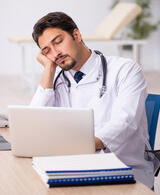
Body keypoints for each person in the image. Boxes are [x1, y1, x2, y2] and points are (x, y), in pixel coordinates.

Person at [31, 11, 157, 189]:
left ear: (76, 35)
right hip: (74, 170)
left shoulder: (125, 70)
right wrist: (48, 70)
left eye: (58, 42)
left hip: (126, 173)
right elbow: (34, 125)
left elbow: (124, 122)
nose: (55, 53)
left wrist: (77, 146)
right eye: (47, 51)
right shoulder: (58, 81)